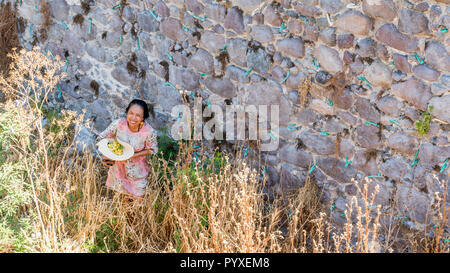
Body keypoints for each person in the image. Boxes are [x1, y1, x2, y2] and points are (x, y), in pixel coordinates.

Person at [97, 99, 158, 199]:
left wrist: (132, 156)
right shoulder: (119, 124)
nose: (133, 118)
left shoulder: (148, 132)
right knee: (123, 201)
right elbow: (102, 138)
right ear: (127, 112)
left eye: (138, 115)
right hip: (118, 170)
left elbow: (152, 150)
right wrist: (105, 155)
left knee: (139, 202)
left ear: (143, 117)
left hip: (137, 172)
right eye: (131, 113)